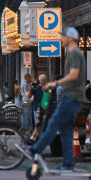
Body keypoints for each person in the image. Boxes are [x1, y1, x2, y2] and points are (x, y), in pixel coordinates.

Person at [27, 28, 87, 171]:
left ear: (70, 38)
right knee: (66, 131)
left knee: (53, 124)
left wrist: (55, 83)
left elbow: (73, 75)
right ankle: (67, 163)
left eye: (63, 36)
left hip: (71, 97)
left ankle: (35, 149)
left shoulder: (74, 54)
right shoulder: (74, 53)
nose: (61, 39)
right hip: (74, 98)